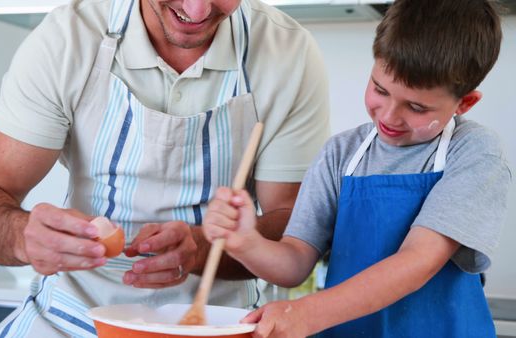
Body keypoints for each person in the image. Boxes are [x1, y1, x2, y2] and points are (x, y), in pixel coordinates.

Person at [0, 0, 330, 336]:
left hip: (216, 326)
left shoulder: (286, 53)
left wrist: (201, 248)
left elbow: (294, 228)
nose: (197, 11)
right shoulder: (69, 38)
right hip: (69, 320)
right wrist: (22, 236)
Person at [203, 0, 512, 337]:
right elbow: (294, 262)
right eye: (380, 89)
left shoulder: (473, 152)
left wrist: (307, 314)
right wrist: (245, 242)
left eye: (416, 107)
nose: (389, 116)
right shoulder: (341, 154)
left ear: (465, 103)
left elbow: (419, 259)